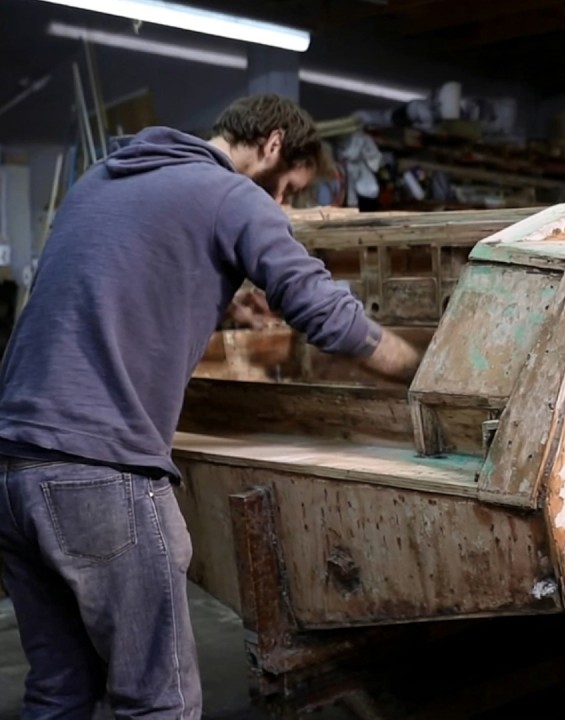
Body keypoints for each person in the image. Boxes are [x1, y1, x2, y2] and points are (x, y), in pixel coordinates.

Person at [0, 94, 422, 719]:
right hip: (99, 469)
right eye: (289, 191)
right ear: (274, 145)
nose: (281, 207)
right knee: (158, 702)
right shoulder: (233, 195)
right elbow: (323, 314)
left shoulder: (103, 178)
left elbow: (114, 279)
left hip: (13, 461)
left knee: (60, 688)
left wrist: (223, 301)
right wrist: (421, 369)